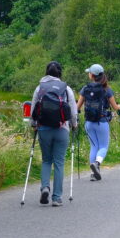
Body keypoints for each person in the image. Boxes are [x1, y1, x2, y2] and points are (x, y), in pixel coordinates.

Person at [31, 61, 77, 206]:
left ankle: (45, 187)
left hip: (44, 129)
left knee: (46, 160)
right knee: (59, 162)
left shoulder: (40, 88)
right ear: (59, 73)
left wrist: (33, 124)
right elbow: (73, 111)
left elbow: (33, 108)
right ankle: (56, 198)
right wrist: (74, 124)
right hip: (61, 129)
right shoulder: (66, 88)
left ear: (46, 72)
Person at [76, 64, 120, 181]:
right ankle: (97, 163)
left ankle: (93, 174)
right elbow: (115, 107)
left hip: (89, 123)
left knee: (94, 146)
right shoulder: (107, 90)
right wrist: (119, 107)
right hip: (102, 122)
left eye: (89, 72)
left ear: (92, 75)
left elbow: (77, 107)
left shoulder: (85, 89)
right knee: (104, 146)